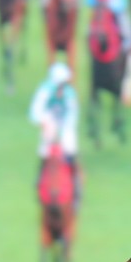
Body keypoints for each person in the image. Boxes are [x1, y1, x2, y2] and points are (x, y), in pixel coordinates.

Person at [29, 61, 82, 204]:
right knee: (44, 151)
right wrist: (45, 122)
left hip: (65, 126)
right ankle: (40, 179)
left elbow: (73, 114)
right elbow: (35, 112)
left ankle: (76, 187)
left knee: (70, 150)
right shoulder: (45, 90)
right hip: (50, 124)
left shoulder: (70, 93)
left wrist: (64, 130)